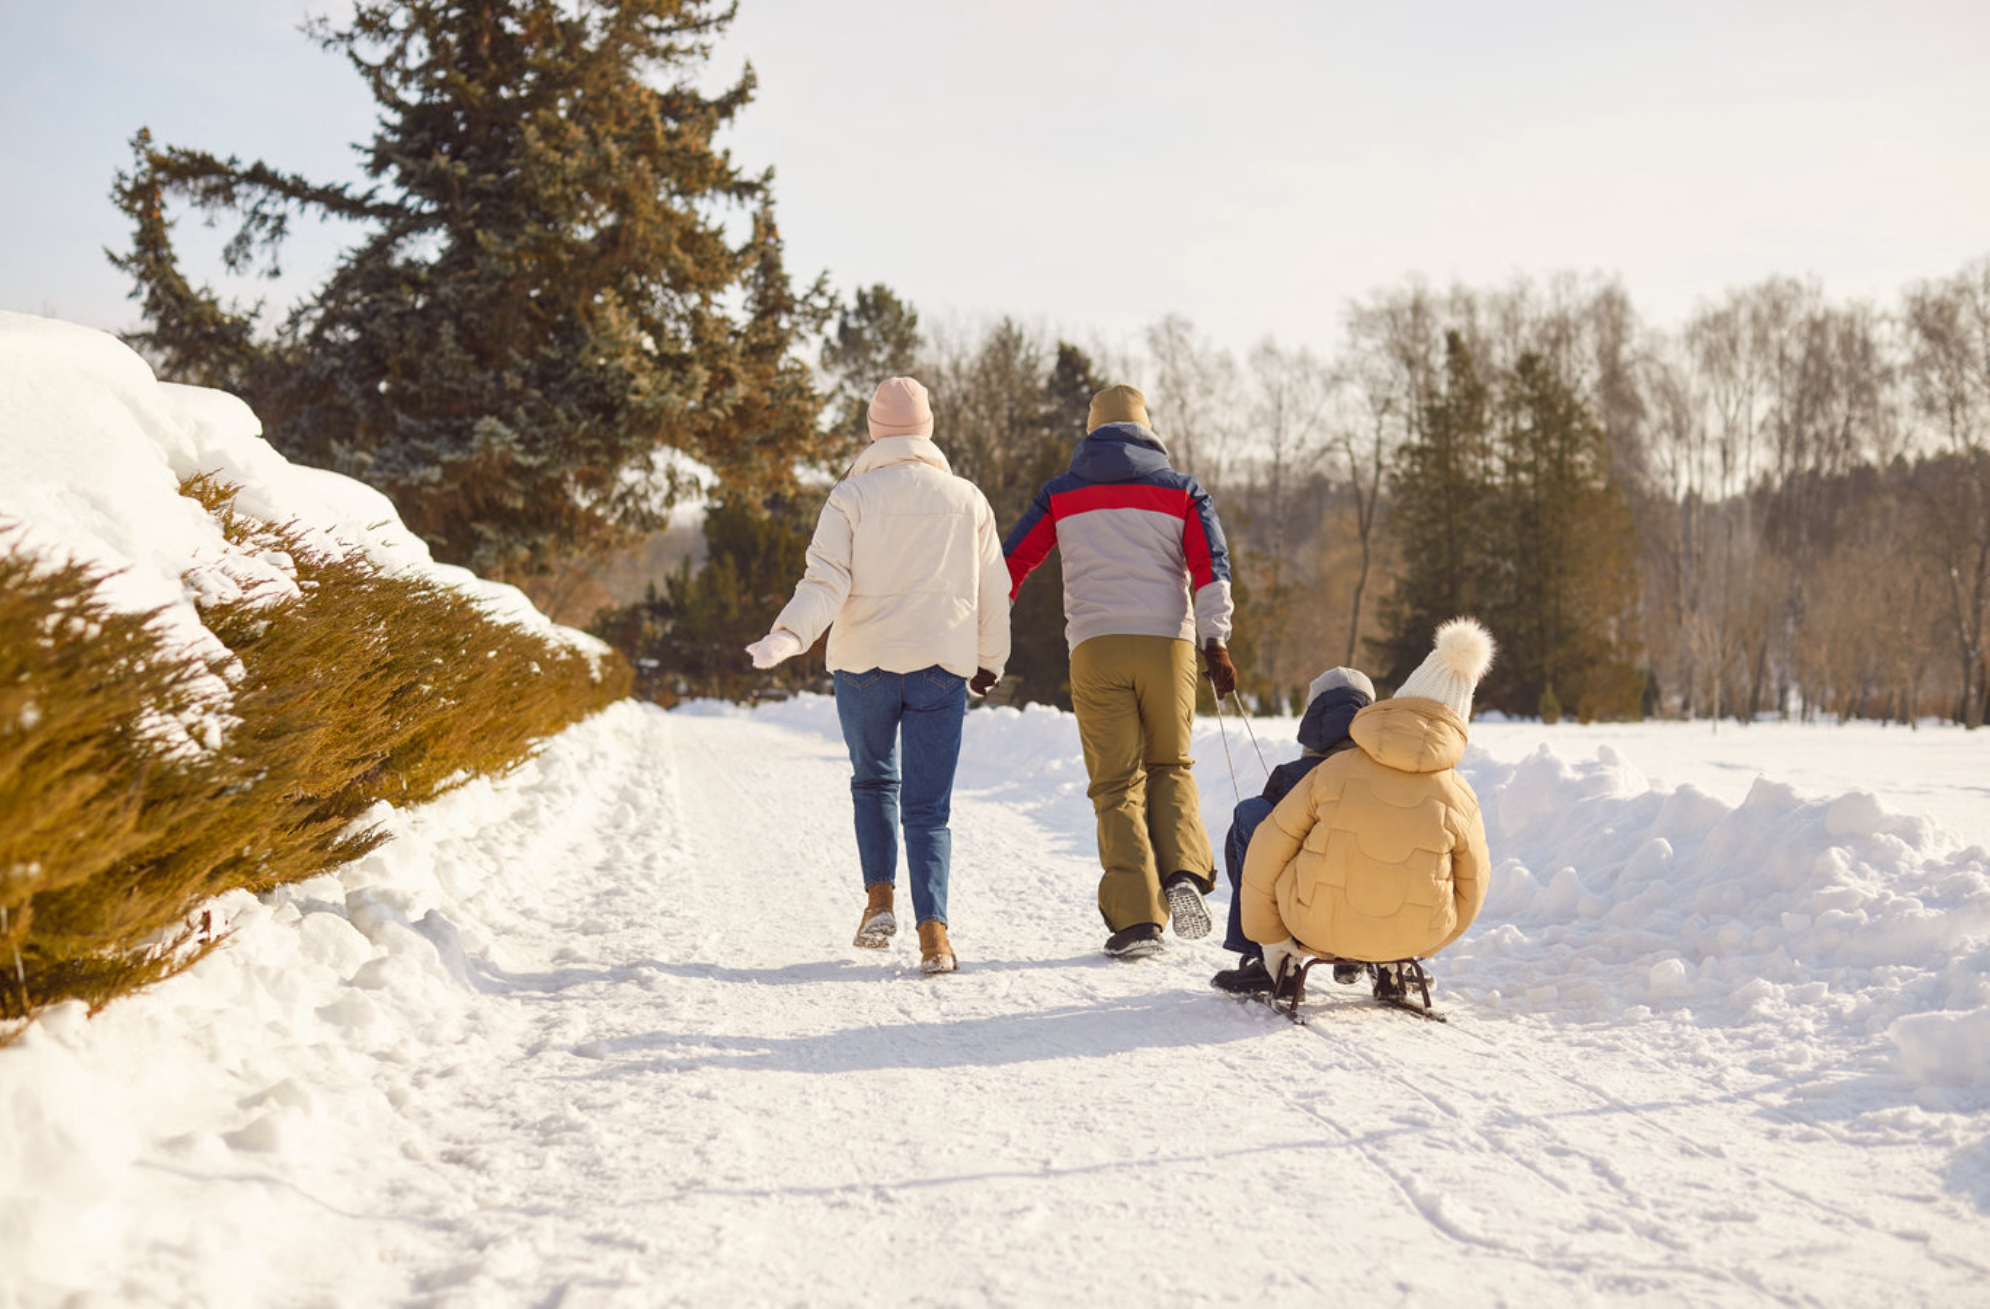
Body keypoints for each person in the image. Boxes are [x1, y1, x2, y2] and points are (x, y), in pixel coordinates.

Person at [746, 377, 1010, 976]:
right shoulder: (969, 499)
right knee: (929, 807)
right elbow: (995, 588)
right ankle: (935, 937)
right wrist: (989, 659)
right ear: (929, 429)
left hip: (863, 665)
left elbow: (824, 582)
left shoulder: (850, 497)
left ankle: (878, 902)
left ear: (873, 431)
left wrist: (788, 635)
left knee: (873, 783)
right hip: (942, 666)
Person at [1003, 383, 1236, 960]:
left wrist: (982, 642)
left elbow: (1010, 564)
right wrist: (1216, 641)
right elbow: (1211, 566)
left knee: (1116, 783)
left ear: (1092, 432)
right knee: (1171, 765)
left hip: (1097, 647)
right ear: (1147, 428)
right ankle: (1182, 871)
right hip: (1168, 647)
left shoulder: (1061, 494)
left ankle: (1137, 923)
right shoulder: (1182, 490)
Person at [1237, 618, 1496, 1002]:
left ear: (1399, 701)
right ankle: (1396, 966)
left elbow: (1265, 851)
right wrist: (1431, 941)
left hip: (1314, 929)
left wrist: (1272, 939)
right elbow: (1473, 888)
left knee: (1282, 838)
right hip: (1413, 937)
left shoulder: (1334, 771)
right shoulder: (1460, 795)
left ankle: (1288, 964)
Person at [1209, 666, 1374, 995]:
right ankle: (1367, 956)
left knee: (1249, 822)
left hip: (1303, 916)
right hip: (1374, 914)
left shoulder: (1293, 778)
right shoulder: (1391, 783)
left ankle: (1263, 953)